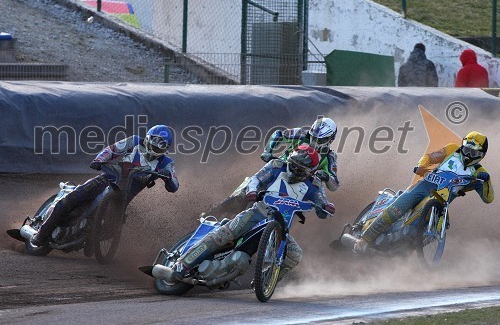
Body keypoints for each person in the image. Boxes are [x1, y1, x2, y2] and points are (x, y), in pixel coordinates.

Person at [167, 145, 336, 282]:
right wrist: (253, 190)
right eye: (293, 165)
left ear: (310, 171)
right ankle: (183, 264)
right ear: (289, 160)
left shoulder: (314, 184)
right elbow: (256, 178)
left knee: (294, 254)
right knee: (224, 234)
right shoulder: (276, 166)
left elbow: (322, 204)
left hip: (280, 227)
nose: (294, 170)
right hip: (257, 213)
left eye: (300, 170)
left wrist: (327, 208)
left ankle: (268, 279)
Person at [30, 124, 179, 246]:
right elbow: (112, 150)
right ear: (147, 138)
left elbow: (174, 184)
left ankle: (88, 240)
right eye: (154, 140)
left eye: (161, 144)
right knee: (72, 198)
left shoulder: (166, 163)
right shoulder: (134, 141)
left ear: (166, 148)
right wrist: (99, 160)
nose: (156, 145)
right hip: (106, 179)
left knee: (111, 230)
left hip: (125, 195)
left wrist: (168, 178)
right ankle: (41, 234)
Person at [352, 131, 494, 253]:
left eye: (473, 152)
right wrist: (421, 166)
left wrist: (486, 181)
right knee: (397, 208)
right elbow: (429, 157)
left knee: (428, 233)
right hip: (424, 186)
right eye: (466, 149)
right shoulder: (451, 150)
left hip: (441, 202)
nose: (467, 154)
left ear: (481, 154)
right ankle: (364, 240)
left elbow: (488, 199)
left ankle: (402, 251)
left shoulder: (480, 173)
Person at [210, 117, 339, 219]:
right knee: (247, 189)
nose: (314, 141)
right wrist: (268, 151)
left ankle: (273, 240)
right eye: (313, 137)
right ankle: (214, 212)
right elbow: (278, 134)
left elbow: (334, 185)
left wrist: (326, 177)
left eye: (320, 139)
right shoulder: (301, 134)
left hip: (301, 184)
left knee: (294, 213)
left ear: (330, 139)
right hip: (280, 170)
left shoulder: (329, 157)